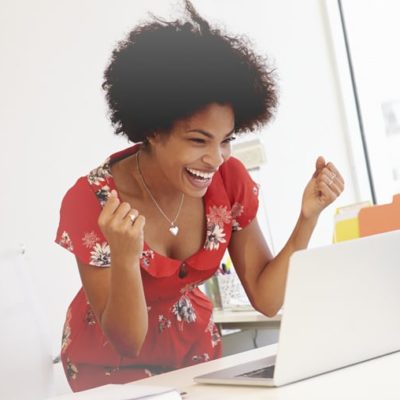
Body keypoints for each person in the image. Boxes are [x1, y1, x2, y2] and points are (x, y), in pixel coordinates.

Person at [55, 0, 344, 392]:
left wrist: (307, 217)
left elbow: (266, 298)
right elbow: (126, 341)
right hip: (110, 369)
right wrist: (125, 258)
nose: (215, 158)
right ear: (152, 130)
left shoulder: (229, 181)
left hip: (193, 354)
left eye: (226, 140)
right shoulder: (92, 201)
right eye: (197, 141)